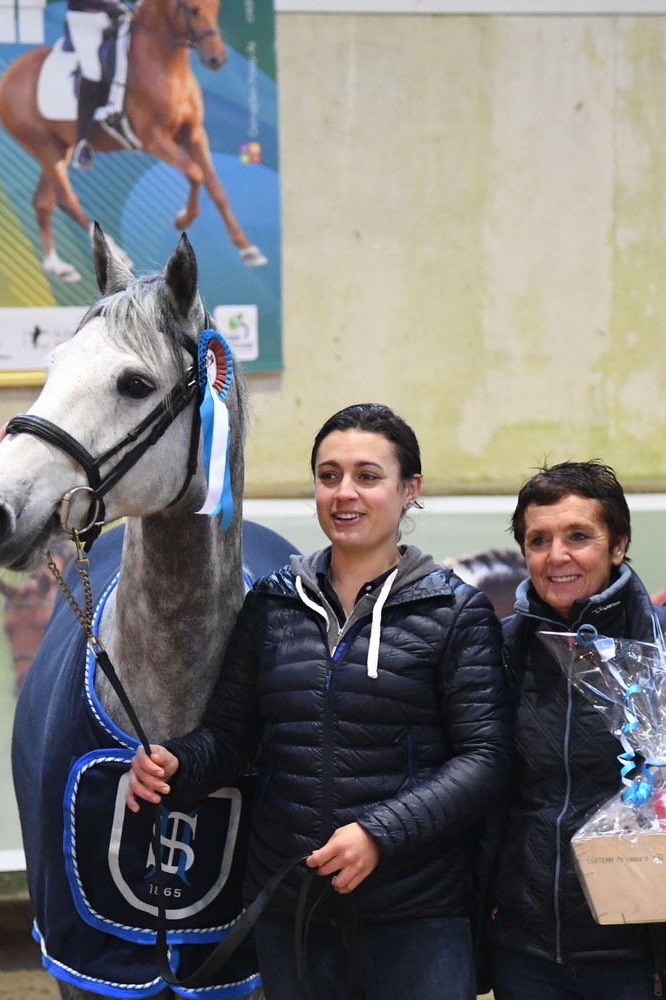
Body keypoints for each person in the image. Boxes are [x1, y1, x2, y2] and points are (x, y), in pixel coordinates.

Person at [128, 403, 511, 1000]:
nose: (344, 493)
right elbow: (232, 735)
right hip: (292, 911)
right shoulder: (271, 606)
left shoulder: (456, 614)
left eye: (367, 475)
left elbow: (485, 760)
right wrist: (179, 764)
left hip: (416, 914)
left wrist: (381, 835)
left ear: (410, 490)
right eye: (329, 475)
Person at [486, 461, 666, 1000]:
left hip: (638, 946)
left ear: (619, 545)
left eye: (578, 536)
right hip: (524, 946)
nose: (556, 555)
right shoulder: (500, 648)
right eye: (538, 540)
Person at [68, 0, 129, 169]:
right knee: (92, 71)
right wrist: (107, 5)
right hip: (85, 18)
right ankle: (83, 142)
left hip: (117, 16)